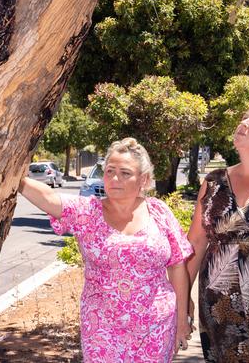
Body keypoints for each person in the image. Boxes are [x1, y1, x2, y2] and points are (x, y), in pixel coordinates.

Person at [19, 138, 193, 362]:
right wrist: (15, 178)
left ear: (144, 179)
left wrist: (181, 321)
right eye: (109, 171)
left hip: (156, 326)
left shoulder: (159, 211)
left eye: (125, 173)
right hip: (102, 326)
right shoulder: (88, 212)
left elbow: (178, 266)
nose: (114, 178)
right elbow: (49, 197)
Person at [186, 101, 249, 361]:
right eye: (244, 117)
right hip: (219, 310)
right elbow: (196, 243)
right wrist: (182, 297)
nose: (244, 123)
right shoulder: (214, 183)